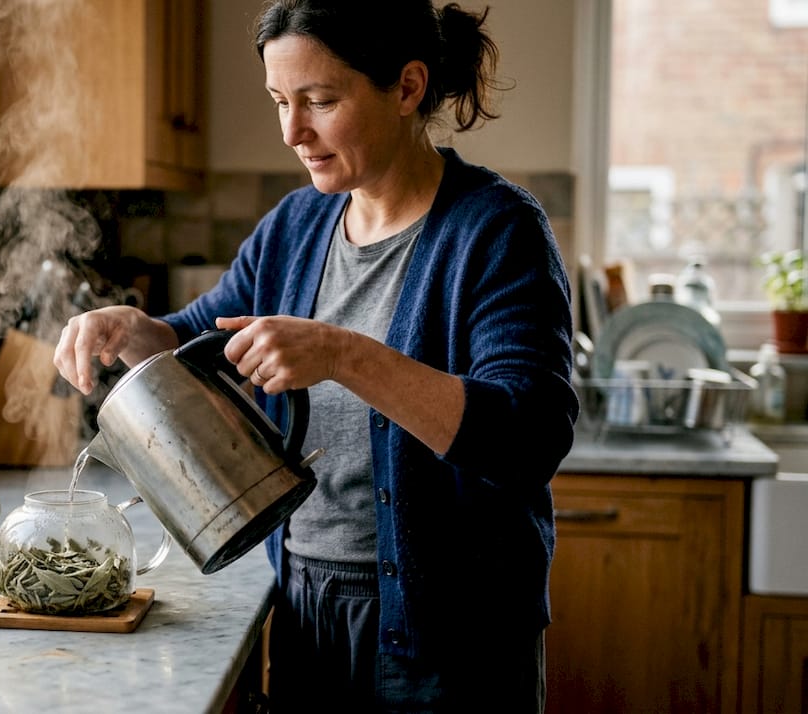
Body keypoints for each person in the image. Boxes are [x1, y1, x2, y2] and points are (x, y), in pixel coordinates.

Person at [53, 1, 577, 710]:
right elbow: (204, 333)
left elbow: (527, 436)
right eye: (279, 102)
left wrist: (343, 354)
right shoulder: (297, 224)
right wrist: (132, 330)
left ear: (407, 88)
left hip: (451, 634)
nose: (293, 132)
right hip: (303, 602)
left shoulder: (497, 230)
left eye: (320, 101)